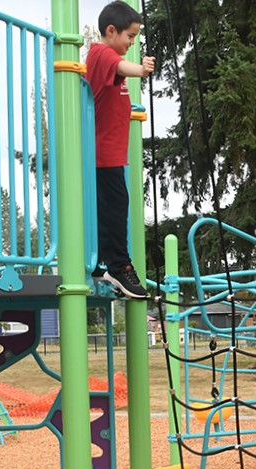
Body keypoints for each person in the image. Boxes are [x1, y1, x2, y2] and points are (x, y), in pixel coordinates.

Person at [86, 1, 155, 299]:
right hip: (104, 156)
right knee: (116, 212)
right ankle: (119, 266)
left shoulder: (107, 58)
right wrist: (140, 69)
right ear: (111, 31)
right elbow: (120, 66)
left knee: (112, 210)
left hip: (110, 155)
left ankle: (103, 263)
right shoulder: (101, 53)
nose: (131, 43)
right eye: (129, 36)